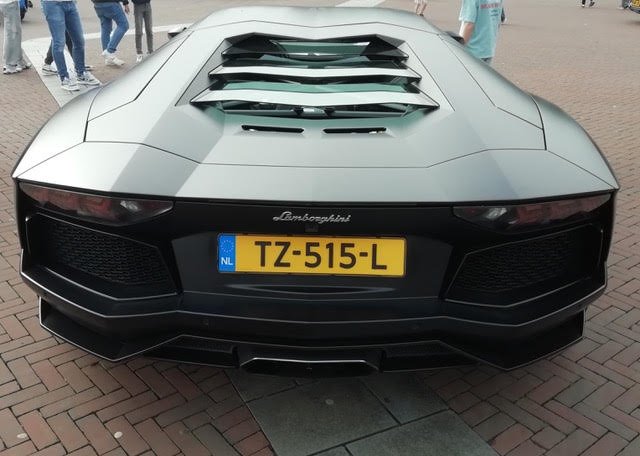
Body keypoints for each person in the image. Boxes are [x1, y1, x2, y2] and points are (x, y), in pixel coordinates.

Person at [41, 0, 100, 91]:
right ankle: (64, 78)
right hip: (52, 4)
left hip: (70, 3)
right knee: (59, 42)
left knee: (79, 40)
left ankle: (81, 73)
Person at [458, 0, 504, 65]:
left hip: (472, 49)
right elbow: (498, 21)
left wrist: (459, 47)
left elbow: (469, 25)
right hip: (488, 47)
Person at [92, 0, 130, 66]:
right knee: (123, 25)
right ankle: (109, 51)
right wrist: (125, 3)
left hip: (97, 4)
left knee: (105, 28)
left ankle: (108, 58)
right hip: (111, 3)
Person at [1, 0, 28, 74]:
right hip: (10, 4)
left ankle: (20, 61)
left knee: (13, 34)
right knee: (13, 35)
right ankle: (10, 64)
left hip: (6, 4)